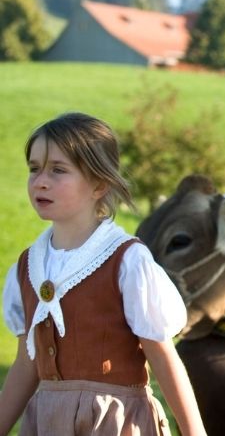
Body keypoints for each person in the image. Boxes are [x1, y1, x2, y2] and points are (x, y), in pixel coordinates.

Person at [0, 112, 206, 436]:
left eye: (58, 170)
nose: (40, 180)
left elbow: (162, 356)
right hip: (48, 423)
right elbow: (27, 364)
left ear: (99, 184)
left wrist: (195, 433)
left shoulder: (127, 261)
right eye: (34, 168)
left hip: (114, 422)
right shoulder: (27, 268)